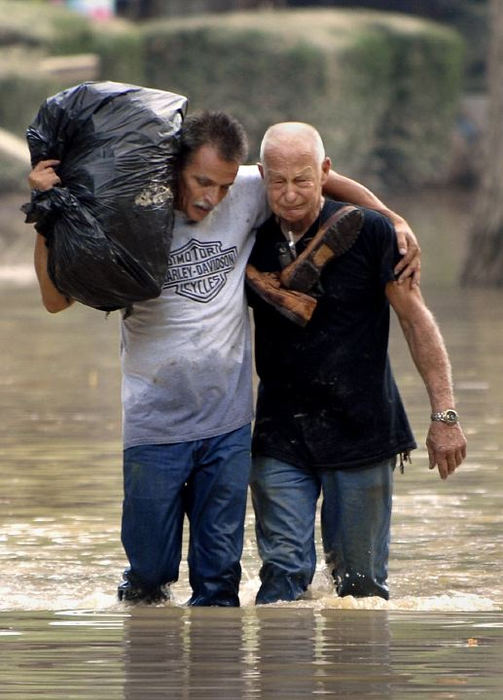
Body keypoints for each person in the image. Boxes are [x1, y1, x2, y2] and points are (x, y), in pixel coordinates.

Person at [28, 110, 420, 607]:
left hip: (227, 430)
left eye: (224, 184)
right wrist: (46, 215)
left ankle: (218, 675)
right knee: (149, 575)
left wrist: (393, 218)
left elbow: (318, 176)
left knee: (218, 583)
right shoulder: (128, 220)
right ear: (174, 169)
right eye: (201, 181)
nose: (211, 196)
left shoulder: (250, 191)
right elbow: (54, 300)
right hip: (152, 427)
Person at [247, 121, 467, 605]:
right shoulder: (246, 230)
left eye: (302, 180)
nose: (288, 194)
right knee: (282, 578)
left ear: (325, 172)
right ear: (261, 175)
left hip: (362, 429)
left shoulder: (369, 232)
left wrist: (444, 416)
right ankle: (281, 677)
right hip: (280, 433)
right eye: (277, 181)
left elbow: (417, 322)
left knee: (361, 589)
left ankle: (356, 679)